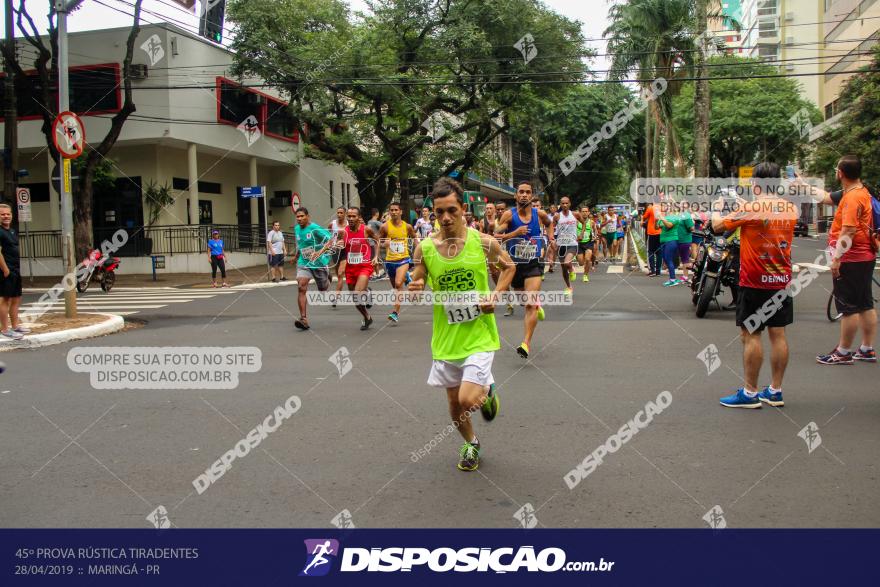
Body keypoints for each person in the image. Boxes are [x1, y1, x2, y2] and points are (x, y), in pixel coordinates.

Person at [408, 177, 515, 471]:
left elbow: (509, 268)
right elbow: (418, 276)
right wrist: (416, 285)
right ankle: (471, 443)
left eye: (451, 210)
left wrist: (496, 294)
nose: (445, 218)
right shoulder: (426, 248)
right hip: (446, 337)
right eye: (439, 212)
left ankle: (487, 391)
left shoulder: (483, 243)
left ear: (464, 209)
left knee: (469, 398)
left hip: (478, 333)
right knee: (455, 404)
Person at [711, 162, 797, 408]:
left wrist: (718, 207)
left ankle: (750, 393)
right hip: (781, 279)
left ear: (756, 184)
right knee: (778, 334)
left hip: (754, 280)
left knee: (751, 334)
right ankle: (775, 391)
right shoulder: (790, 209)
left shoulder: (751, 208)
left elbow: (717, 226)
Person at [815, 155, 877, 364]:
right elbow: (824, 196)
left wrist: (837, 259)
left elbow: (848, 231)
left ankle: (843, 352)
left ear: (841, 173)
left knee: (848, 308)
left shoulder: (851, 198)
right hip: (865, 255)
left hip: (852, 258)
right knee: (865, 304)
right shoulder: (862, 192)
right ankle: (866, 349)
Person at [496, 182, 552, 359]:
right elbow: (496, 235)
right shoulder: (509, 215)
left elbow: (550, 223)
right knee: (523, 300)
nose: (524, 195)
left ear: (532, 195)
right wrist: (515, 233)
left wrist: (550, 238)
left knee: (529, 303)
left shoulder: (539, 214)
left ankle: (525, 343)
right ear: (516, 195)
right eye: (521, 192)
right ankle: (536, 306)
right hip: (515, 266)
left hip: (533, 263)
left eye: (528, 192)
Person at [292, 207, 333, 331]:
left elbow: (331, 240)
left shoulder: (314, 228)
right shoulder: (297, 229)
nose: (299, 219)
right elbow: (301, 245)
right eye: (297, 217)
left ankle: (328, 277)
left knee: (323, 288)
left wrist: (319, 253)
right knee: (301, 286)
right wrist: (296, 256)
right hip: (304, 262)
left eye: (301, 216)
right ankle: (303, 319)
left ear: (307, 216)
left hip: (318, 263)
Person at [341, 206, 380, 330]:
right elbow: (338, 245)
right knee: (355, 299)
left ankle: (367, 292)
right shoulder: (344, 231)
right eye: (349, 216)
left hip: (364, 265)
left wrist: (376, 257)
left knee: (358, 294)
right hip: (350, 268)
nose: (351, 218)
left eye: (354, 216)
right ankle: (367, 317)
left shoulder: (366, 229)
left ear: (359, 218)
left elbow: (377, 240)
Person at [378, 202, 416, 323]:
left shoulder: (407, 226)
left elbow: (415, 238)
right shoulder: (385, 227)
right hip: (390, 261)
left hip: (404, 259)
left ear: (400, 212)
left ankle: (395, 312)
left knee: (399, 284)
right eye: (392, 210)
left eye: (396, 210)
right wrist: (384, 245)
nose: (394, 212)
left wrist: (419, 252)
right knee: (395, 286)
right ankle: (407, 277)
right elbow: (379, 241)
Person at [0, 204, 25, 340]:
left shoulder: (13, 231)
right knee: (5, 299)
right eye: (2, 214)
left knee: (16, 298)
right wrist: (5, 269)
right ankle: (4, 329)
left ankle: (15, 326)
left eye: (8, 214)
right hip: (6, 271)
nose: (6, 216)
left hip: (16, 270)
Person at [549, 196, 583, 295]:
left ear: (570, 204)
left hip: (572, 243)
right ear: (560, 205)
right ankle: (568, 287)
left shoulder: (575, 214)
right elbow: (551, 227)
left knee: (567, 263)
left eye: (566, 203)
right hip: (561, 244)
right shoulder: (557, 216)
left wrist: (581, 234)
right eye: (562, 203)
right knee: (563, 267)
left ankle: (572, 268)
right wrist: (552, 239)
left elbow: (583, 223)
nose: (564, 205)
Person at [656, 205, 681, 286]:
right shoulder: (665, 217)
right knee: (666, 259)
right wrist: (655, 219)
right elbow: (657, 227)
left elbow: (669, 225)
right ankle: (672, 278)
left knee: (668, 259)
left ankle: (673, 279)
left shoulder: (675, 217)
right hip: (663, 241)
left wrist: (662, 218)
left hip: (672, 240)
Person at [328, 207, 347, 308]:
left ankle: (336, 297)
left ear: (345, 214)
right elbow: (328, 235)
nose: (339, 214)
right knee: (339, 275)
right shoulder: (332, 224)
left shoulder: (348, 224)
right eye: (338, 212)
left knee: (340, 273)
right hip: (335, 251)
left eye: (341, 213)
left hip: (345, 251)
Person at [642, 203, 662, 276]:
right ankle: (658, 271)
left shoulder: (651, 208)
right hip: (660, 232)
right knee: (659, 253)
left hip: (651, 233)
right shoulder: (663, 208)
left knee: (651, 252)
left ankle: (652, 271)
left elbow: (644, 217)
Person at [675, 209, 695, 284]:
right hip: (682, 239)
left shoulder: (682, 215)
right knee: (684, 258)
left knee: (684, 258)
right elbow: (691, 228)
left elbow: (691, 228)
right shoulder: (683, 215)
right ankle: (685, 276)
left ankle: (685, 276)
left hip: (682, 239)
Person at [576, 204, 594, 282]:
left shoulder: (591, 222)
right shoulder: (576, 221)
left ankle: (585, 275)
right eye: (583, 211)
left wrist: (595, 237)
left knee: (587, 259)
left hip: (588, 243)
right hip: (579, 243)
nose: (584, 213)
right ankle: (577, 257)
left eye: (586, 211)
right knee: (581, 263)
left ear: (588, 212)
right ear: (580, 212)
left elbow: (594, 231)